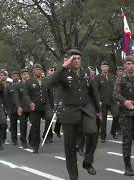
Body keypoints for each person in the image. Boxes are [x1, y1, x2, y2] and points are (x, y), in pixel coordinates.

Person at [48, 49, 101, 180]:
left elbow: (92, 90)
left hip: (85, 108)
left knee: (93, 132)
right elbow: (48, 84)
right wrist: (63, 66)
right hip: (69, 112)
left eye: (78, 58)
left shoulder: (86, 72)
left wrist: (98, 109)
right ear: (68, 60)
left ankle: (88, 162)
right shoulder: (62, 73)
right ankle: (74, 176)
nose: (77, 61)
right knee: (70, 147)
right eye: (74, 59)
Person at [24, 64, 52, 153]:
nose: (39, 71)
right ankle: (35, 146)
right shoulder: (29, 82)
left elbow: (50, 93)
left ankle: (46, 135)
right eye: (37, 69)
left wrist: (53, 105)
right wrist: (30, 102)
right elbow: (26, 94)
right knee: (36, 127)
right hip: (35, 106)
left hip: (45, 105)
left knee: (49, 118)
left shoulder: (46, 81)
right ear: (33, 71)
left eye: (40, 69)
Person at [94, 60, 120, 141]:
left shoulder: (112, 76)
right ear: (101, 68)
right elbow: (96, 90)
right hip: (103, 101)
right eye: (103, 66)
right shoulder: (97, 78)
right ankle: (103, 136)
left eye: (106, 66)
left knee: (116, 115)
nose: (105, 68)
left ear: (108, 68)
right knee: (103, 120)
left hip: (112, 100)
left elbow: (116, 89)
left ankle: (113, 131)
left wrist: (117, 99)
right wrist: (98, 101)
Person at [4, 71, 22, 146]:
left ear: (19, 77)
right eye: (14, 76)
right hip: (11, 109)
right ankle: (14, 139)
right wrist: (7, 109)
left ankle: (23, 138)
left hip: (21, 108)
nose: (16, 77)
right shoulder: (8, 86)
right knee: (13, 124)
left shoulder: (22, 85)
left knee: (23, 124)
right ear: (12, 77)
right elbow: (6, 98)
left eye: (17, 76)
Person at [16, 68, 31, 148]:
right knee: (23, 125)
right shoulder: (18, 85)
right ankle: (23, 140)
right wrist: (18, 106)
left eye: (27, 74)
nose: (26, 75)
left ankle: (31, 138)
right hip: (22, 108)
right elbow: (16, 97)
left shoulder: (31, 84)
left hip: (31, 108)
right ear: (21, 76)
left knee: (34, 125)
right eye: (24, 74)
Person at [0, 79, 6, 150]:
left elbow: (3, 95)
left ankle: (1, 139)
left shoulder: (0, 84)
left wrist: (5, 105)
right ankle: (0, 143)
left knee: (3, 122)